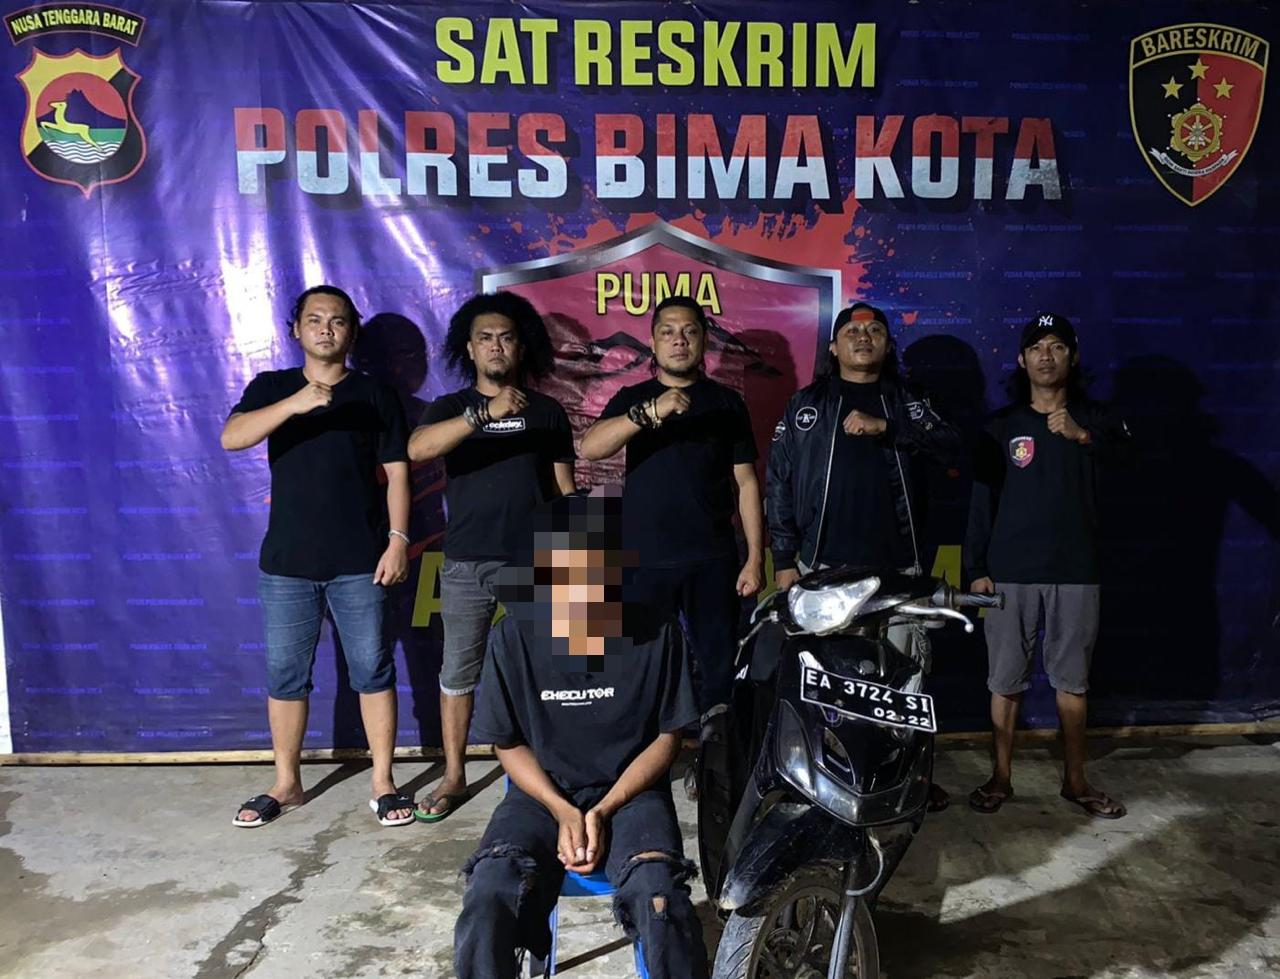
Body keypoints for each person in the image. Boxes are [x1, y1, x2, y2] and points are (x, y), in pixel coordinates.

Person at [454, 491, 708, 979]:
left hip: (631, 795)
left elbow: (667, 737)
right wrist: (561, 808)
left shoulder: (658, 632)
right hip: (542, 795)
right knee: (489, 892)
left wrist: (605, 808)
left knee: (658, 896)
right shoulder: (513, 636)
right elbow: (508, 743)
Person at [221, 284, 414, 829]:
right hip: (288, 563)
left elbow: (398, 472)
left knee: (372, 670)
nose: (326, 328)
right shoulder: (272, 386)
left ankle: (383, 782)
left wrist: (399, 539)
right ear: (296, 330)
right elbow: (232, 437)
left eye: (337, 320)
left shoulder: (375, 394)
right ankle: (287, 783)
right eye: (315, 319)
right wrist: (295, 403)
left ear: (352, 332)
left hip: (360, 560)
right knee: (286, 674)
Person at [767, 301, 960, 810]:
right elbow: (779, 482)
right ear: (833, 347)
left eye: (875, 330)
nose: (863, 337)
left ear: (889, 345)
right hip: (823, 569)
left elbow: (953, 447)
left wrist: (889, 428)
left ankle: (908, 780)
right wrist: (784, 558)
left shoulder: (909, 401)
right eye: (852, 332)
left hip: (899, 572)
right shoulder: (807, 405)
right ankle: (821, 778)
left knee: (903, 681)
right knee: (822, 684)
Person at [408, 292, 576, 822]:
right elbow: (418, 449)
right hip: (466, 562)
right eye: (485, 338)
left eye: (506, 337)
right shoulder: (450, 407)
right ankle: (454, 775)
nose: (496, 346)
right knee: (458, 672)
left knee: (550, 668)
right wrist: (485, 412)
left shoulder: (548, 410)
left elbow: (564, 487)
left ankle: (549, 771)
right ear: (470, 349)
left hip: (537, 559)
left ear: (521, 347)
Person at [965, 313, 1129, 819]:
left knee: (1072, 683)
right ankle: (1000, 777)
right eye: (1036, 347)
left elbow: (1133, 468)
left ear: (1072, 357)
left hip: (1075, 571)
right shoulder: (1001, 427)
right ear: (1021, 359)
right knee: (1004, 681)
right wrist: (976, 567)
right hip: (1010, 572)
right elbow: (981, 502)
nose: (1046, 356)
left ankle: (1076, 781)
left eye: (1057, 346)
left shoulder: (1097, 420)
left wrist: (1083, 437)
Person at [580, 296, 764, 724]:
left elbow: (747, 483)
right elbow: (590, 448)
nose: (678, 340)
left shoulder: (726, 403)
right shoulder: (633, 397)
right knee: (642, 667)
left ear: (703, 341)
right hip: (644, 560)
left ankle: (716, 754)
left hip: (712, 558)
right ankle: (648, 755)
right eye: (668, 332)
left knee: (719, 672)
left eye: (689, 331)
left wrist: (755, 557)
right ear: (653, 342)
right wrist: (650, 412)